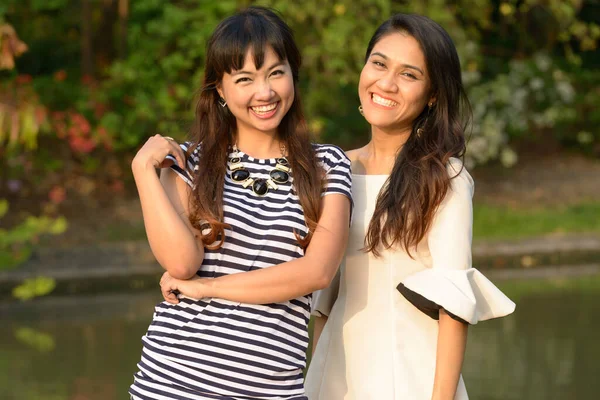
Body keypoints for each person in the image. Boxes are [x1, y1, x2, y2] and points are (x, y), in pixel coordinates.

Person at [128, 7, 352, 400]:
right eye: (245, 79)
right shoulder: (187, 163)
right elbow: (181, 264)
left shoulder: (328, 165)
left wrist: (209, 288)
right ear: (220, 89)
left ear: (292, 74)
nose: (264, 93)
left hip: (271, 389)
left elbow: (316, 272)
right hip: (171, 384)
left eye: (275, 73)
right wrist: (142, 170)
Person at [304, 13, 516, 400]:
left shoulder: (443, 177)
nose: (386, 83)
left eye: (409, 74)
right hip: (332, 380)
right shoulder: (332, 169)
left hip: (410, 381)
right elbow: (325, 302)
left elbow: (453, 309)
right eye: (379, 63)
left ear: (432, 95)